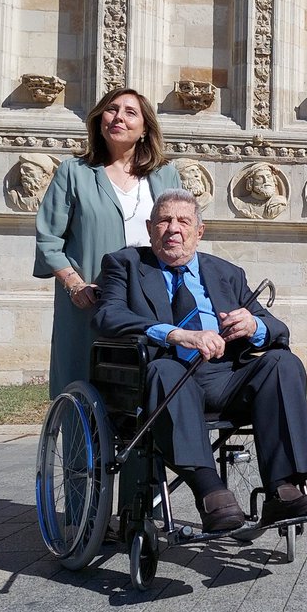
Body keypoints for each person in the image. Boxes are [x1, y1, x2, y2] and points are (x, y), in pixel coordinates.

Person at [93, 189, 307, 531]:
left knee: (282, 363)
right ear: (150, 228)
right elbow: (107, 316)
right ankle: (210, 491)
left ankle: (283, 489)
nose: (173, 228)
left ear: (199, 231)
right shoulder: (124, 264)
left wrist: (254, 325)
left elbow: (277, 330)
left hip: (226, 378)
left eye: (183, 221)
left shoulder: (226, 272)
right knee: (165, 369)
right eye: (164, 220)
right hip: (165, 379)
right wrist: (175, 334)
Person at [34, 88, 181, 398]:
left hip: (152, 297)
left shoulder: (165, 175)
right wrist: (74, 285)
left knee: (152, 380)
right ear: (99, 120)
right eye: (111, 109)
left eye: (130, 112)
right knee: (85, 381)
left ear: (145, 128)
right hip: (90, 297)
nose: (118, 118)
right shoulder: (74, 172)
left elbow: (183, 231)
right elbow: (49, 239)